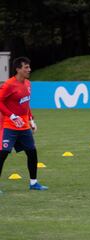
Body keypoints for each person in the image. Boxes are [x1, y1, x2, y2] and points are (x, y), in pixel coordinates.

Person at [0, 57, 48, 192]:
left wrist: (31, 119)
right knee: (2, 153)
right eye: (26, 67)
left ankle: (34, 183)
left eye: (29, 67)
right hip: (9, 125)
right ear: (18, 69)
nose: (29, 69)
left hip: (24, 125)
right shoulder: (9, 85)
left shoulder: (28, 84)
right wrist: (12, 116)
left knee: (32, 152)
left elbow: (25, 104)